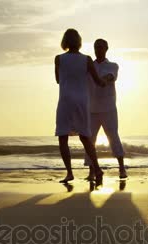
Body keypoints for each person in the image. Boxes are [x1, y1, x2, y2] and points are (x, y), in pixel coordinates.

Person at [54, 28, 106, 185]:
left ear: (65, 42)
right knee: (85, 137)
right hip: (82, 101)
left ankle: (69, 173)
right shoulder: (87, 59)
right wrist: (107, 81)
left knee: (63, 138)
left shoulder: (59, 59)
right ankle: (97, 169)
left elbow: (57, 80)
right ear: (79, 41)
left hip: (65, 101)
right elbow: (98, 81)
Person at [85, 38, 127, 180]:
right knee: (90, 140)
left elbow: (110, 77)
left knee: (113, 137)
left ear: (106, 49)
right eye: (96, 47)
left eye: (101, 47)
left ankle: (121, 168)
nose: (98, 50)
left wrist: (102, 80)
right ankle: (92, 171)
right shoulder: (89, 66)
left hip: (108, 108)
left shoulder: (113, 65)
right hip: (91, 109)